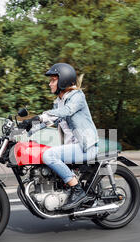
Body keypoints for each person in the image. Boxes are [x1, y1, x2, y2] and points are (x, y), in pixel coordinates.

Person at [21, 63, 99, 210]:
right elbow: (50, 120)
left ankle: (77, 190)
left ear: (63, 81)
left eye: (53, 80)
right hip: (72, 147)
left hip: (86, 146)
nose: (50, 84)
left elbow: (67, 111)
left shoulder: (77, 96)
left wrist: (38, 117)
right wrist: (26, 130)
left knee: (49, 155)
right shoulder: (58, 102)